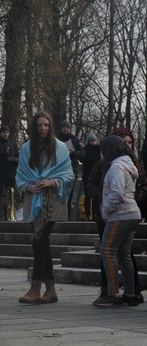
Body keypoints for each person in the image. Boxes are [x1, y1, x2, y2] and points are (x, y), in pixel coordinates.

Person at [16, 111, 75, 304]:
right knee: (41, 241)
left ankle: (36, 287)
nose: (43, 128)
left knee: (40, 241)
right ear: (35, 127)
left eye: (46, 125)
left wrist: (50, 181)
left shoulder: (59, 147)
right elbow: (21, 175)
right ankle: (50, 290)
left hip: (52, 198)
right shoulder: (26, 148)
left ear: (50, 127)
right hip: (34, 198)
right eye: (40, 125)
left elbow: (68, 174)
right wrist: (29, 186)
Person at [87, 127, 147, 304]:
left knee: (107, 251)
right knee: (124, 254)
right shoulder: (129, 164)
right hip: (132, 214)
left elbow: (116, 193)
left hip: (119, 215)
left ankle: (112, 293)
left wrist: (106, 211)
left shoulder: (116, 167)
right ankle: (130, 293)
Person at [56, 119, 85, 220]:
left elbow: (82, 154)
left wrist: (74, 153)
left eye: (68, 128)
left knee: (70, 193)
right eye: (64, 128)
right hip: (59, 169)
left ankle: (68, 216)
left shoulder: (74, 140)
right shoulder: (56, 139)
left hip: (71, 168)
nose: (66, 130)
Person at [0, 125, 18, 221]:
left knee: (11, 194)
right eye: (4, 132)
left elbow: (18, 156)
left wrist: (14, 160)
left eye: (7, 132)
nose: (6, 134)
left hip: (11, 174)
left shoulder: (12, 144)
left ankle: (10, 215)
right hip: (1, 173)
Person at [82, 133, 100, 221]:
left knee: (95, 195)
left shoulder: (98, 149)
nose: (94, 142)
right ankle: (87, 214)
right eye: (92, 141)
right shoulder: (85, 150)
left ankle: (95, 213)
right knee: (87, 196)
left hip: (96, 175)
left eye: (94, 140)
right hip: (87, 175)